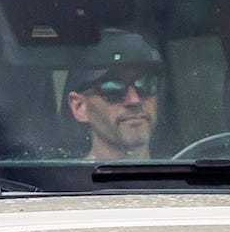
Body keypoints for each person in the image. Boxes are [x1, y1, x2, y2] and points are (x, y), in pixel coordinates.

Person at [64, 30, 163, 161]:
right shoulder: (63, 180)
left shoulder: (186, 175)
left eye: (146, 84)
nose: (134, 100)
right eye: (113, 89)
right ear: (79, 107)